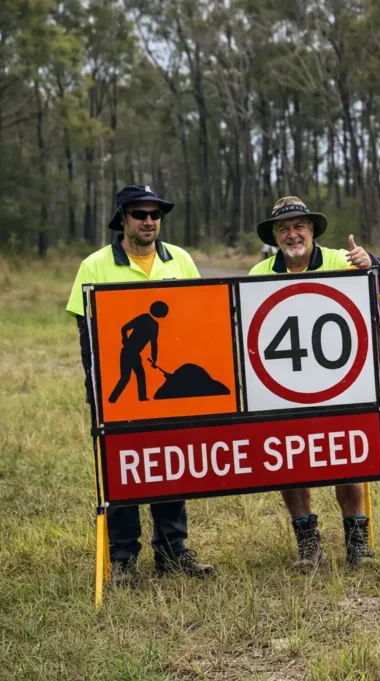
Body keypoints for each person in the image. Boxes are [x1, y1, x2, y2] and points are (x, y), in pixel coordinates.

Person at [66, 184, 215, 583]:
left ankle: (172, 550)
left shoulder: (179, 259)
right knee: (122, 466)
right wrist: (97, 388)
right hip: (117, 383)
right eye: (139, 214)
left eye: (155, 214)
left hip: (169, 390)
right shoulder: (95, 265)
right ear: (123, 219)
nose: (149, 221)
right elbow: (87, 336)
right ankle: (123, 557)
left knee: (170, 464)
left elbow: (197, 320)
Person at [249, 196, 380, 573]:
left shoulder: (340, 260)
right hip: (281, 387)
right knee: (289, 461)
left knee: (346, 457)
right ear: (275, 236)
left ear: (312, 230)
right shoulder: (259, 273)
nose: (292, 234)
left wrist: (372, 264)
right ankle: (307, 542)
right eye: (284, 228)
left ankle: (357, 542)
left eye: (299, 226)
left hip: (341, 382)